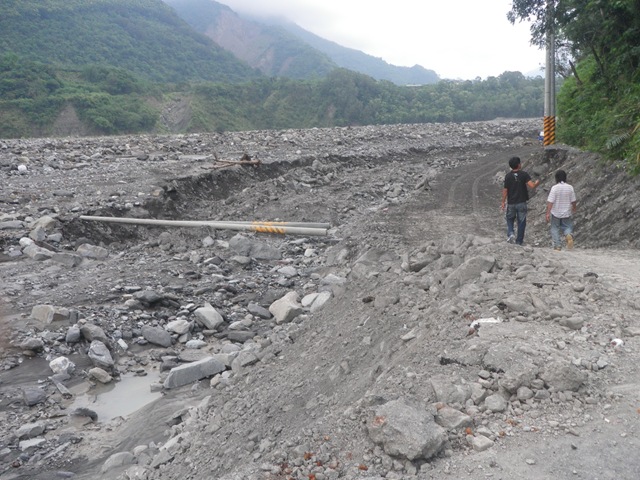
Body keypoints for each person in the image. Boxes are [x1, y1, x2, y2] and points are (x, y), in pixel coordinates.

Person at [500, 156, 540, 245]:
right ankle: (519, 241)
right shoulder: (524, 174)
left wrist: (503, 202)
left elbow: (505, 190)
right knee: (521, 222)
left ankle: (511, 233)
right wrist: (537, 183)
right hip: (521, 202)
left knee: (510, 219)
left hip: (511, 202)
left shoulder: (508, 176)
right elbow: (532, 186)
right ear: (518, 165)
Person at [545, 169, 577, 250]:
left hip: (556, 212)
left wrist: (548, 213)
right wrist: (574, 207)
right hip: (566, 212)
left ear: (556, 178)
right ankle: (568, 235)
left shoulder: (554, 188)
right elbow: (573, 200)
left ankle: (558, 245)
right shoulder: (570, 187)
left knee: (555, 228)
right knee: (567, 226)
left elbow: (550, 202)